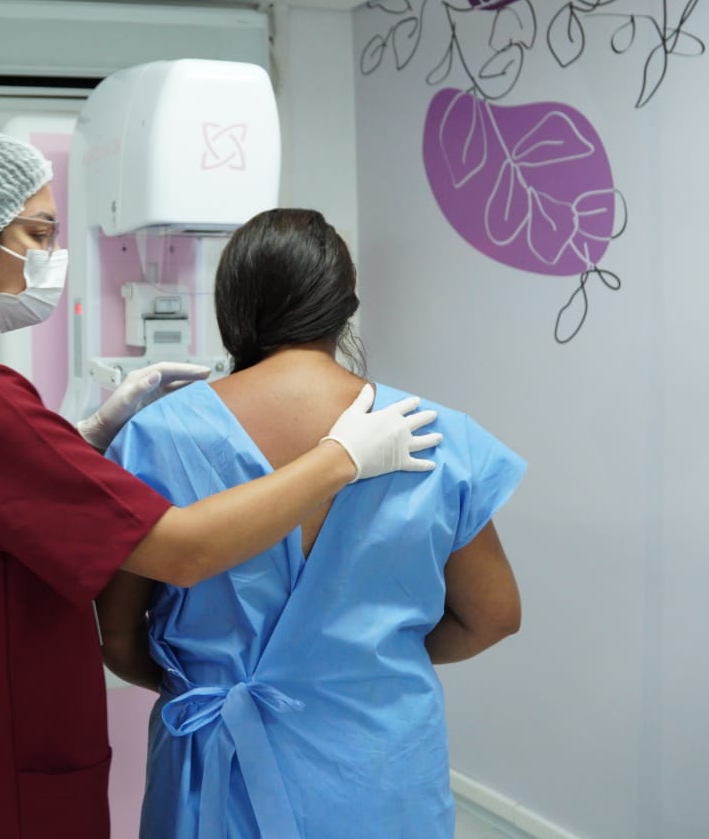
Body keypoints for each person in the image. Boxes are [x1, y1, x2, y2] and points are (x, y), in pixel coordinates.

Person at [0, 129, 444, 839]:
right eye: (37, 234)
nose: (50, 257)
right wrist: (339, 457)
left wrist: (90, 436)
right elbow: (181, 552)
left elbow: (5, 502)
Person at [96, 208, 525, 839]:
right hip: (378, 774)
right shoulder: (433, 437)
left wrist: (207, 677)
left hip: (212, 773)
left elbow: (117, 636)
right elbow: (495, 615)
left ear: (232, 307)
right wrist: (368, 666)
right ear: (344, 305)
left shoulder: (159, 436)